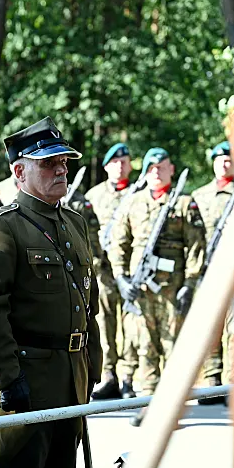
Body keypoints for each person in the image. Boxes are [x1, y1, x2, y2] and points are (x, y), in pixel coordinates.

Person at [0, 117, 102, 468]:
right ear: (19, 171)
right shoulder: (1, 225)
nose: (61, 169)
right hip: (26, 372)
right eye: (48, 163)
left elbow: (89, 301)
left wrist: (92, 363)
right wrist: (9, 377)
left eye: (63, 162)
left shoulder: (76, 222)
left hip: (70, 374)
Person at [109, 147, 205, 426]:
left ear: (171, 170)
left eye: (162, 167)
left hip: (172, 291)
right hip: (141, 290)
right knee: (145, 348)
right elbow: (119, 243)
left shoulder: (184, 203)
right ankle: (149, 404)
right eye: (151, 168)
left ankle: (171, 408)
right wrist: (121, 277)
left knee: (173, 349)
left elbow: (196, 247)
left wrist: (190, 284)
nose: (156, 172)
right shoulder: (134, 202)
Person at [86, 142, 140, 400]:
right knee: (104, 323)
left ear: (130, 166)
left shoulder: (139, 193)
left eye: (124, 162)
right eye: (114, 162)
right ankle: (109, 375)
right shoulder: (93, 196)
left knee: (131, 323)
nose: (119, 166)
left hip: (132, 271)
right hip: (103, 271)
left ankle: (129, 376)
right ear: (106, 166)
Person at [189, 141, 234, 405]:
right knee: (210, 327)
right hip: (206, 270)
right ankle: (211, 381)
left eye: (229, 159)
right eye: (220, 160)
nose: (225, 164)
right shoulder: (199, 195)